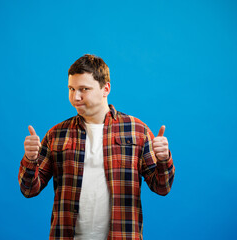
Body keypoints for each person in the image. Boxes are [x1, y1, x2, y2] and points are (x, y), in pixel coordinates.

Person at [18, 54, 175, 240]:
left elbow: (162, 187)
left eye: (84, 89)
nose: (75, 97)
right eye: (71, 88)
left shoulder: (137, 131)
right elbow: (29, 189)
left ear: (105, 88)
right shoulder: (56, 134)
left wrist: (164, 159)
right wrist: (30, 158)